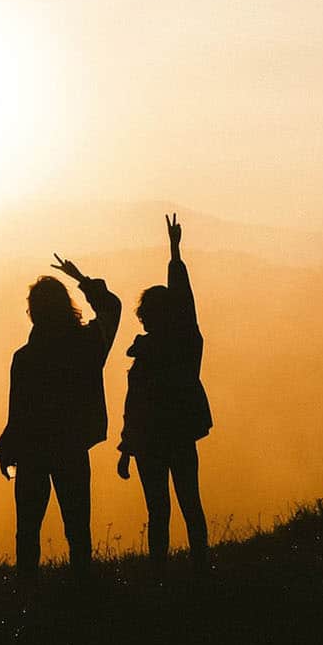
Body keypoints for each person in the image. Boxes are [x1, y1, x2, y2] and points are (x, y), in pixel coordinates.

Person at [0, 255, 121, 578]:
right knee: (77, 526)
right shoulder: (89, 344)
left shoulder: (24, 358)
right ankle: (82, 586)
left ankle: (26, 589)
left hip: (33, 451)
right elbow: (112, 308)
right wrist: (82, 278)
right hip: (72, 446)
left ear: (33, 312)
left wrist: (5, 449)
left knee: (28, 528)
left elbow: (18, 412)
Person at [117, 213, 213, 573]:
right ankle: (199, 566)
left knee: (159, 509)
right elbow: (185, 303)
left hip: (150, 443)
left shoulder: (154, 351)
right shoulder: (186, 345)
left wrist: (128, 447)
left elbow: (134, 407)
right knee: (189, 502)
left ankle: (160, 572)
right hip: (177, 436)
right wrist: (174, 254)